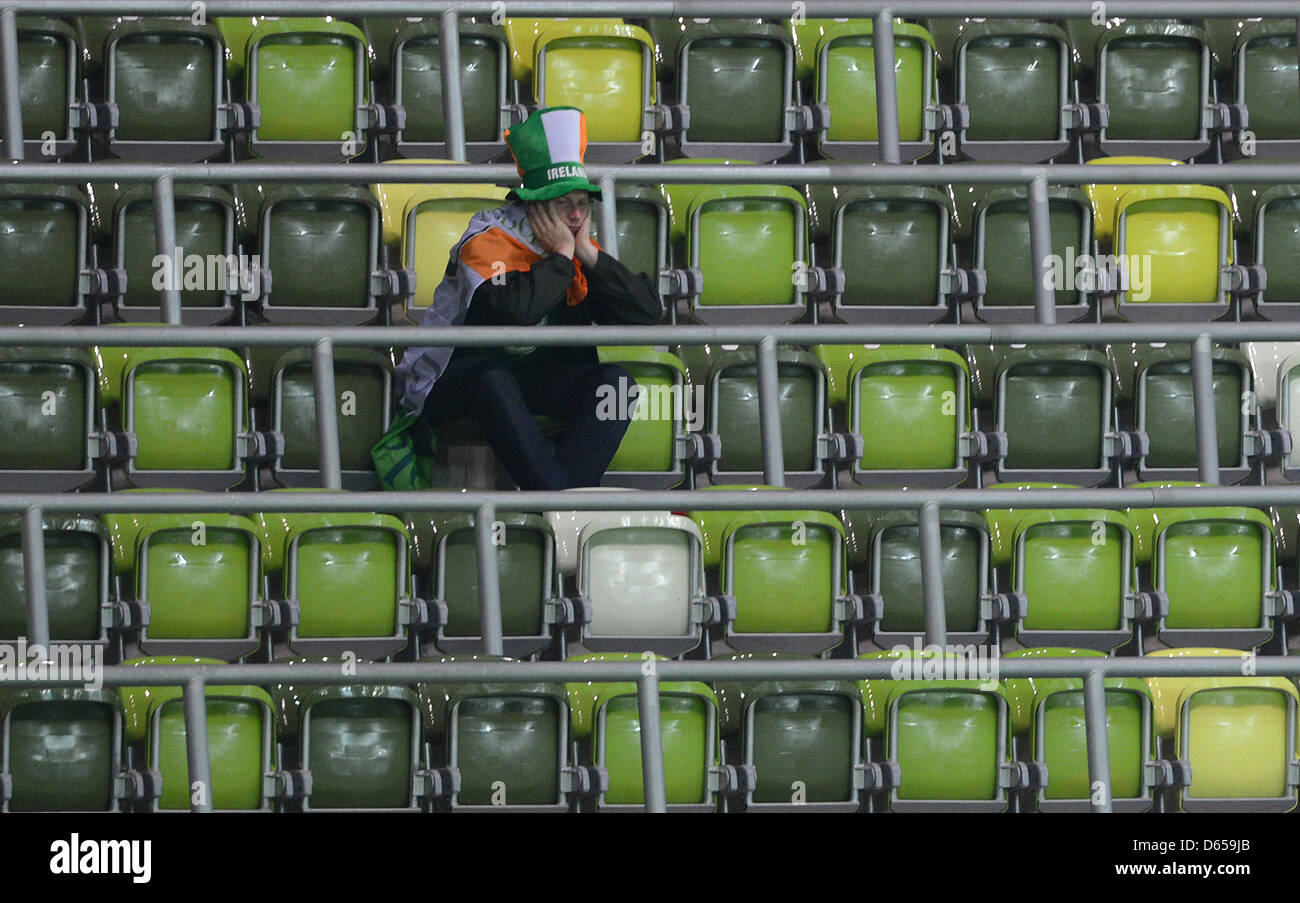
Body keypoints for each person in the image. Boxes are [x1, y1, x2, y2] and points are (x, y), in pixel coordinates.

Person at [396, 106, 663, 490]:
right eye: (562, 204)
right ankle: (554, 498)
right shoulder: (487, 240)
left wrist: (588, 255)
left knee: (617, 386)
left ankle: (562, 496)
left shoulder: (576, 247)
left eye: (582, 204)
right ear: (531, 205)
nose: (575, 215)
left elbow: (646, 313)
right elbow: (518, 310)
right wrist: (560, 259)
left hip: (535, 382)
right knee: (493, 378)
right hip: (457, 381)